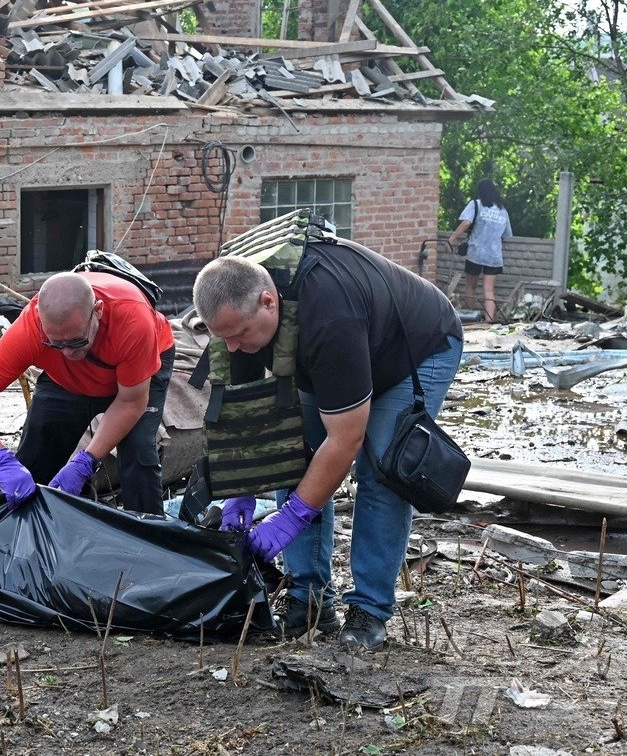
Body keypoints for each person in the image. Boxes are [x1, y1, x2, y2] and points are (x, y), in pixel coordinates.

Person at [192, 239, 462, 650]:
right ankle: (308, 599)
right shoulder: (236, 326)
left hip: (413, 348)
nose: (232, 347)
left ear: (268, 302)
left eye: (240, 335)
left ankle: (369, 609)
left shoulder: (328, 316)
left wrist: (292, 516)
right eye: (222, 337)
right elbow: (246, 418)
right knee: (292, 458)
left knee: (381, 472)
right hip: (333, 356)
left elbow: (346, 438)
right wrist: (239, 493)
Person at [0, 271, 175, 516]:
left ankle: (149, 539)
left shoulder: (133, 321)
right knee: (37, 449)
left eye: (76, 342)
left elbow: (130, 402)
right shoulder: (31, 330)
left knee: (138, 452)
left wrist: (87, 460)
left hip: (136, 372)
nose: (67, 353)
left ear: (97, 311)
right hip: (66, 380)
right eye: (55, 344)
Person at [448, 178, 513, 322]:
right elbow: (507, 235)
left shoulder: (476, 204)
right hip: (494, 256)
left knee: (470, 286)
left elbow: (466, 222)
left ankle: (470, 317)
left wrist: (452, 238)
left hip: (475, 253)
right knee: (488, 289)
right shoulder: (503, 211)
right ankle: (489, 321)